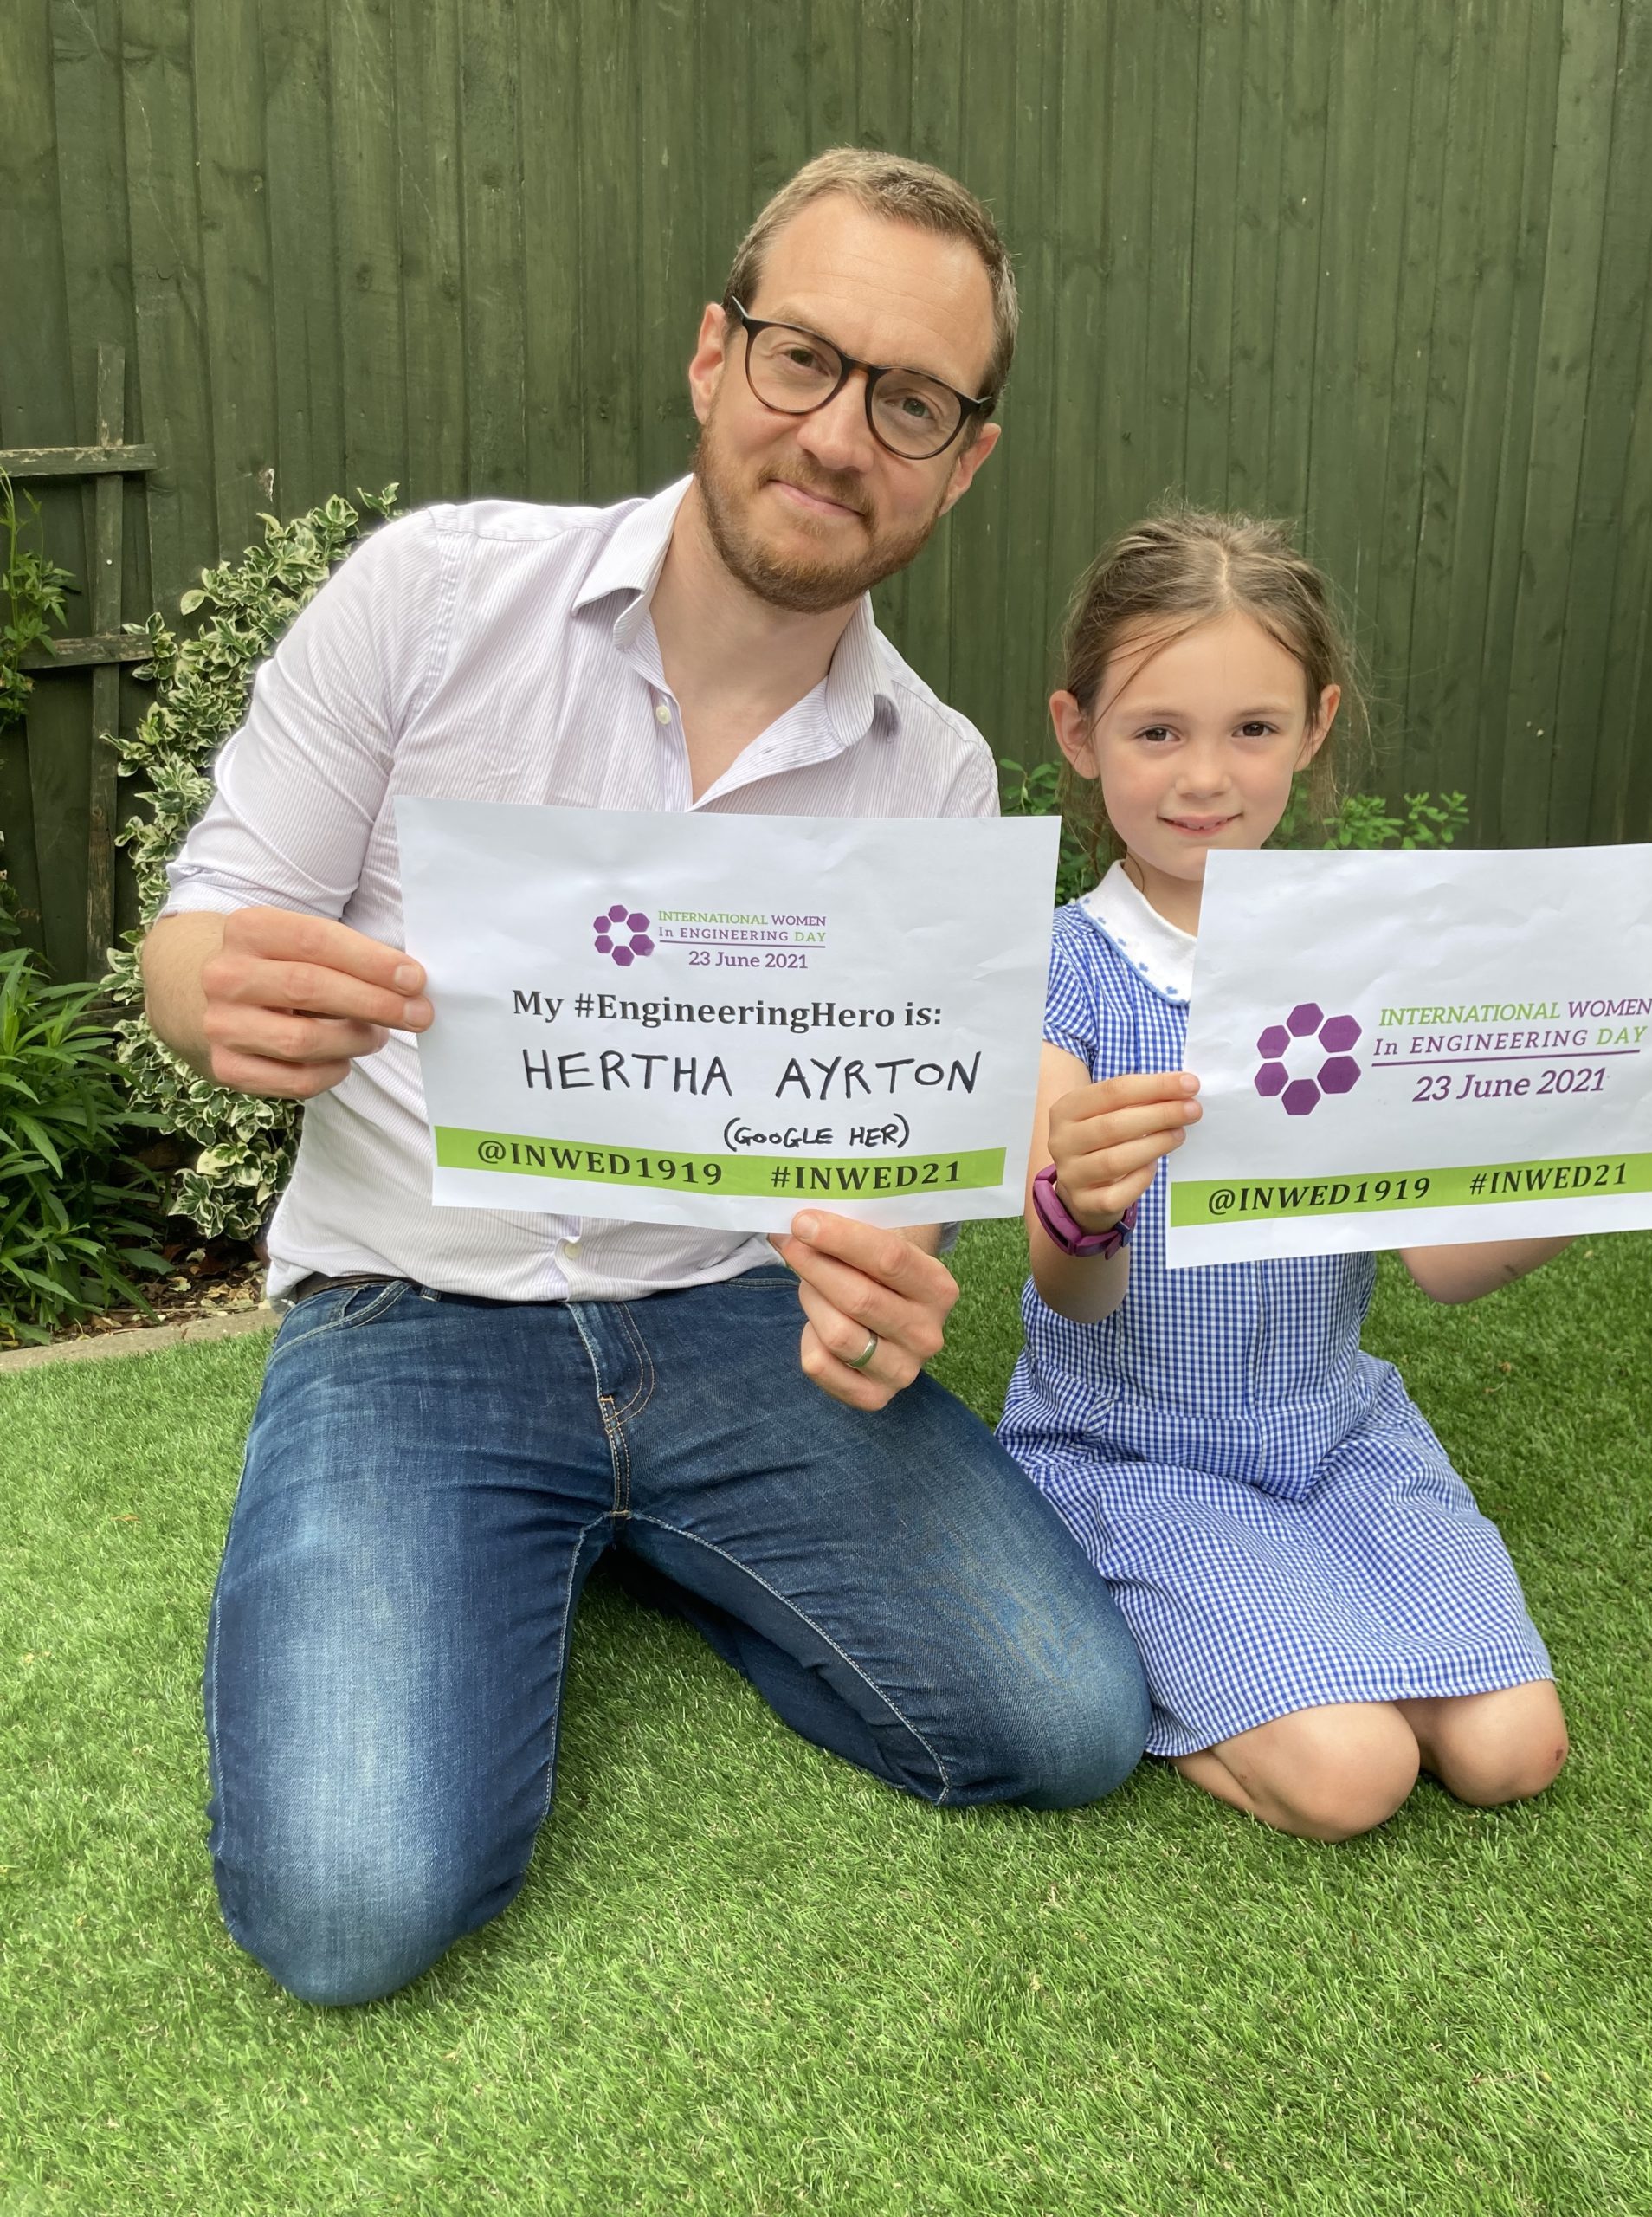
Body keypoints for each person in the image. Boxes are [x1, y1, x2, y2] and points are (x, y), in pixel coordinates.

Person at [139, 150, 1149, 2006]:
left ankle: (660, 1535)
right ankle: (560, 1529)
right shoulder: (432, 600)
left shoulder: (933, 771)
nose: (841, 433)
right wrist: (225, 999)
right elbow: (200, 936)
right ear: (713, 353)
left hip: (733, 1323)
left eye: (910, 399)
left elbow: (892, 1177)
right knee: (349, 1910)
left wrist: (884, 1291)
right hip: (415, 1306)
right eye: (804, 360)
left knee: (1068, 1718)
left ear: (963, 455)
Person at [997, 508, 1569, 1842]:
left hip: (1336, 1437)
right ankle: (1192, 1667)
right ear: (1079, 734)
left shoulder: (1358, 957)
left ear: (1314, 728)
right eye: (1158, 732)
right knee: (1353, 1775)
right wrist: (1077, 1206)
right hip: (1136, 1451)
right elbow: (1069, 1297)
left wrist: (1573, 1179)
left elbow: (1446, 1267)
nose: (1206, 776)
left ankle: (1303, 1635)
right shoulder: (1063, 972)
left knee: (1513, 1749)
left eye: (1252, 729)